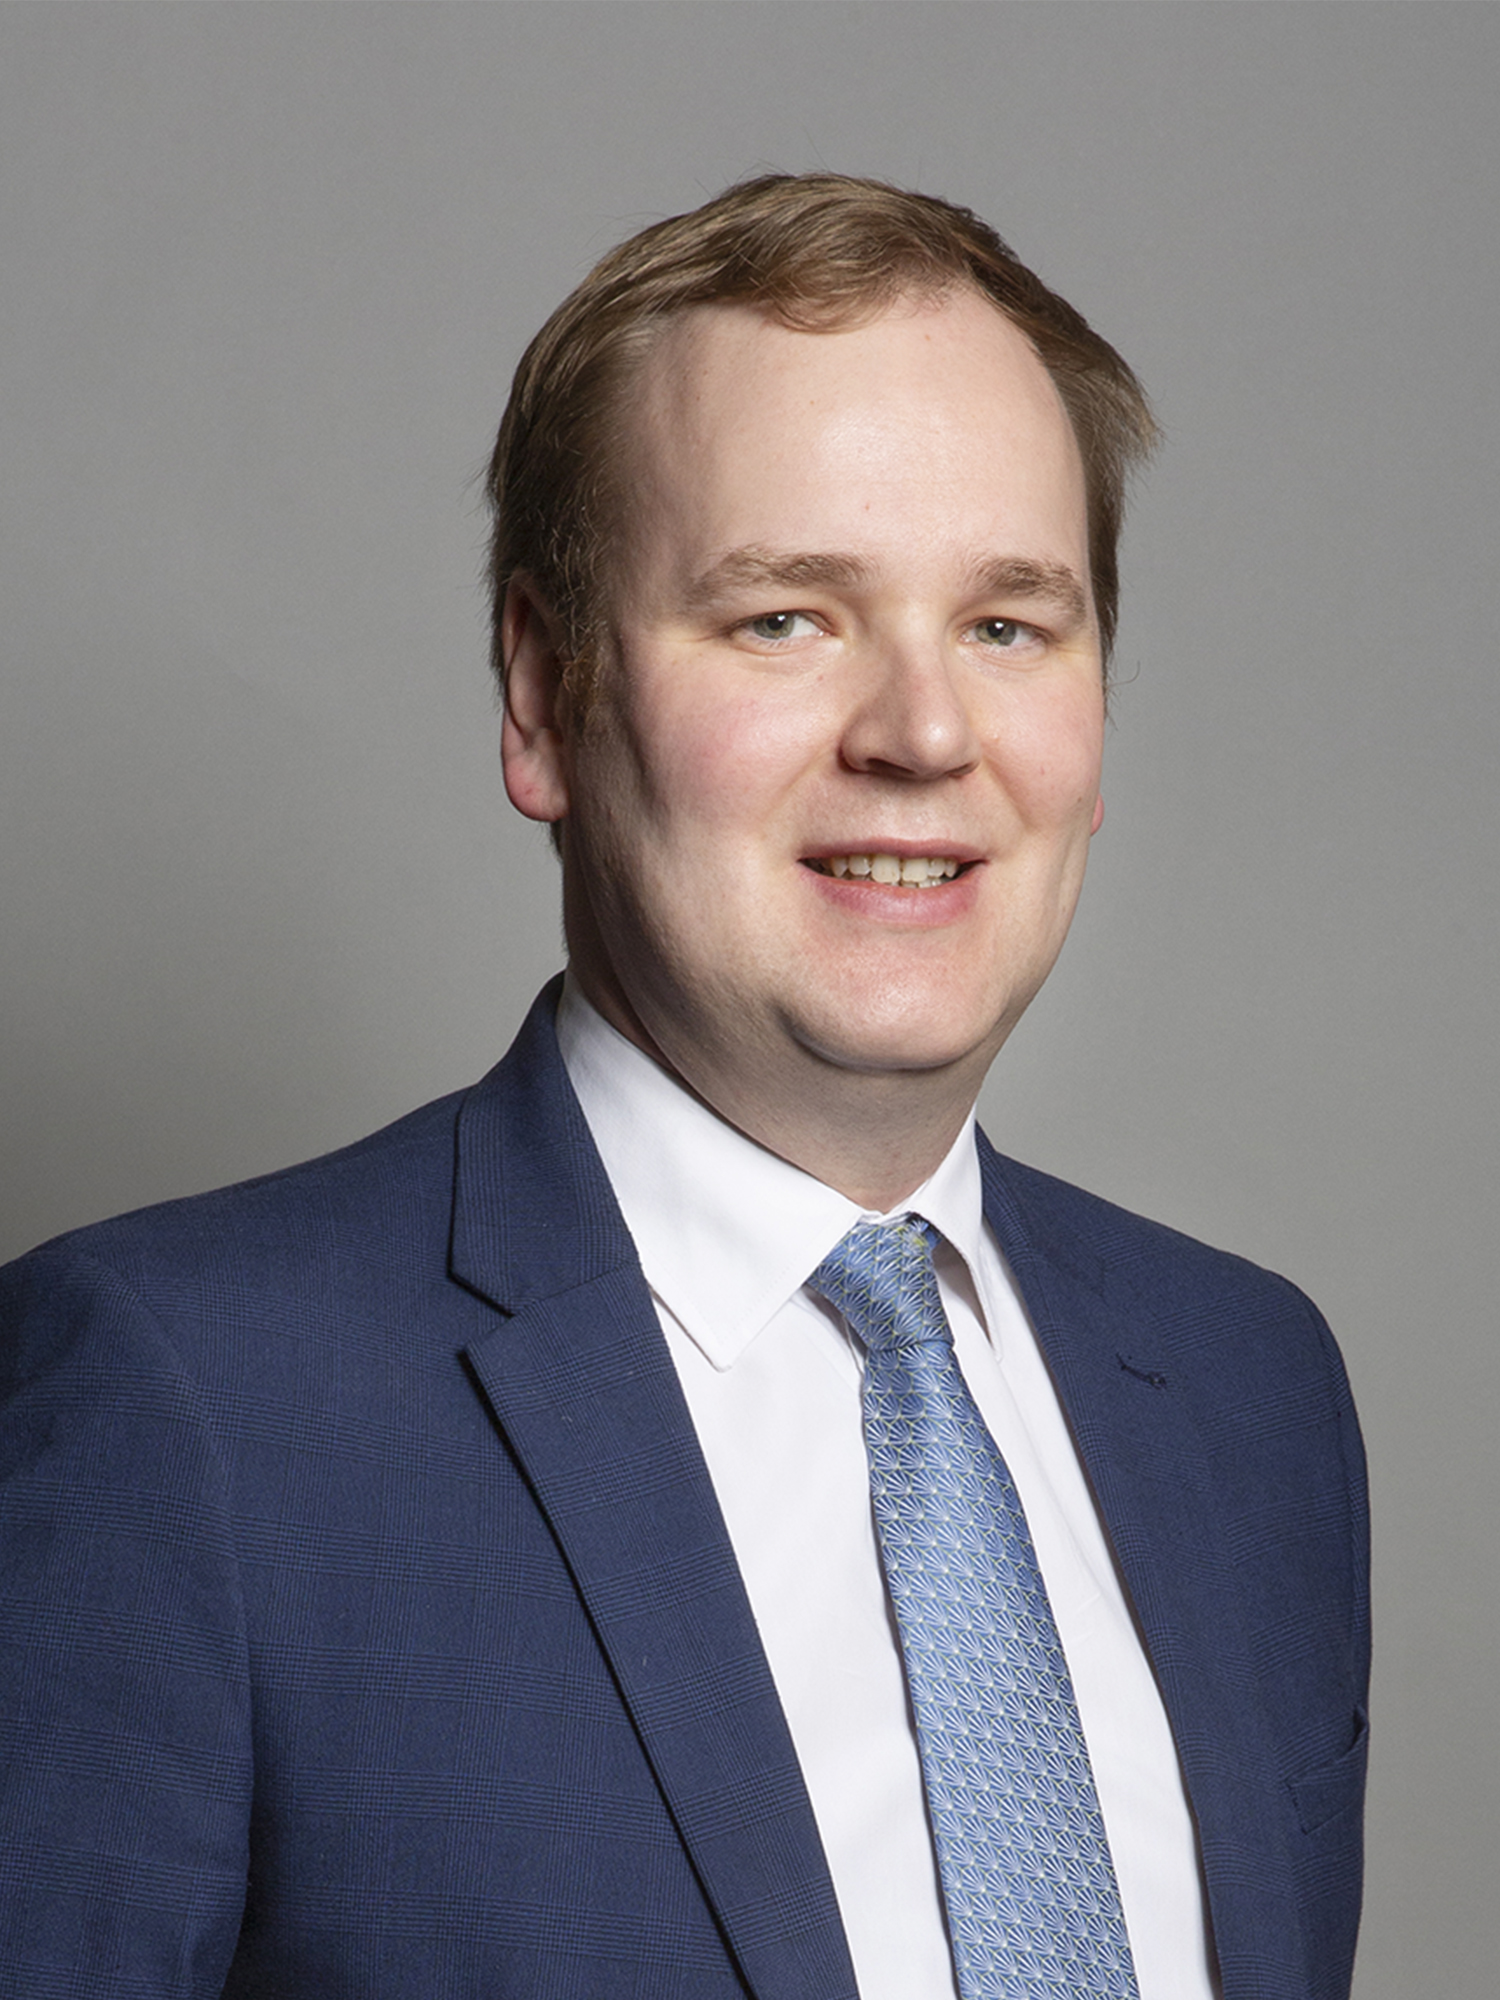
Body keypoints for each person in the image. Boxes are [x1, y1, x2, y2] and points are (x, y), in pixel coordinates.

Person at [0, 175, 1367, 2000]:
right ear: (542, 696)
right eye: (786, 618)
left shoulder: (1250, 1395)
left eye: (1007, 626)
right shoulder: (188, 1414)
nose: (924, 733)